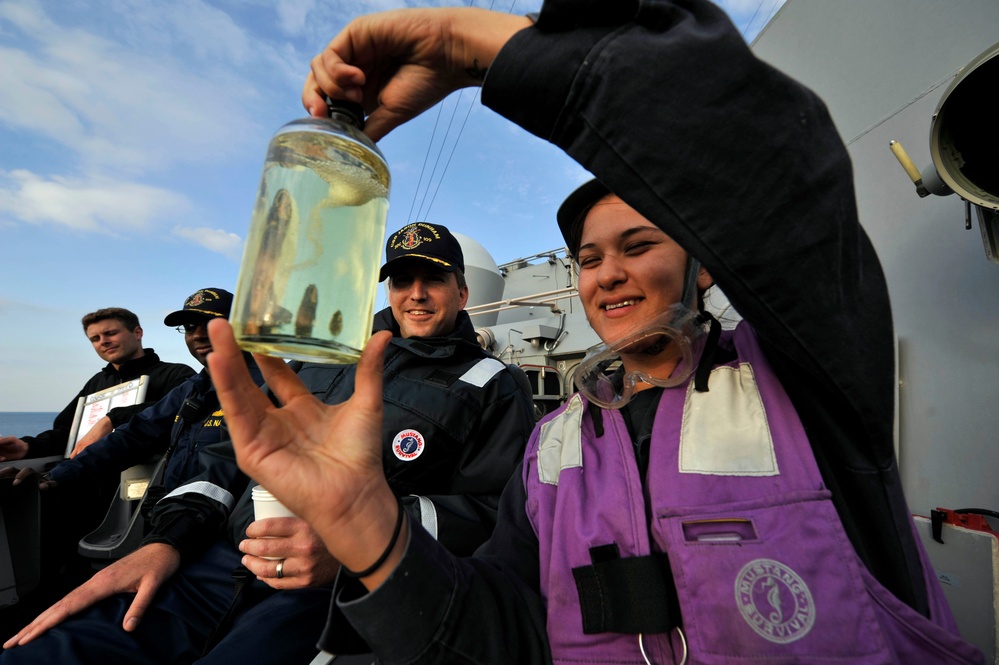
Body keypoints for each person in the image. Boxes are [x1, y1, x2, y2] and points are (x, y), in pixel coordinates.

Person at [192, 2, 980, 663]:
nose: (604, 273)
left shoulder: (807, 384)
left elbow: (769, 170)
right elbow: (494, 624)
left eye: (639, 245)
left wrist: (480, 52)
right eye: (589, 257)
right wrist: (367, 526)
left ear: (704, 267)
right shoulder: (552, 445)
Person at [1, 223, 536, 664]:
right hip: (216, 563)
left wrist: (363, 539)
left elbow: (493, 512)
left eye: (434, 279)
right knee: (39, 655)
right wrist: (168, 541)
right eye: (402, 280)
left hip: (328, 586)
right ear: (388, 290)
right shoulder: (319, 359)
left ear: (462, 292)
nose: (416, 294)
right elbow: (227, 452)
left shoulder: (493, 384)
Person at [0, 288, 263, 638]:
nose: (199, 334)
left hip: (220, 542)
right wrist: (56, 478)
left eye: (214, 323)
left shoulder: (268, 384)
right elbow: (134, 434)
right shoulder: (193, 390)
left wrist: (169, 541)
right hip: (165, 530)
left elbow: (228, 470)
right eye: (189, 327)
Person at [0, 308, 195, 462]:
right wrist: (28, 447)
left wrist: (112, 419)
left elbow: (180, 410)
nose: (103, 342)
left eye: (110, 333)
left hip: (146, 480)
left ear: (137, 333)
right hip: (93, 480)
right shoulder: (97, 382)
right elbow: (68, 433)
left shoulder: (176, 373)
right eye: (95, 338)